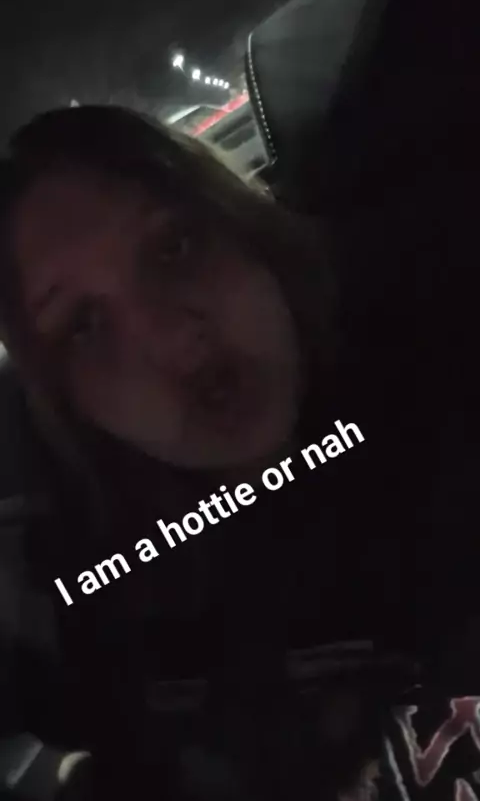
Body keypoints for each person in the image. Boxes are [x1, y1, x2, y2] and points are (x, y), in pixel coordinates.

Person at [0, 104, 478, 801]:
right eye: (84, 325)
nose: (170, 338)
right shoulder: (103, 605)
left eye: (174, 248)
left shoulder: (445, 374)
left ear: (244, 230)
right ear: (67, 402)